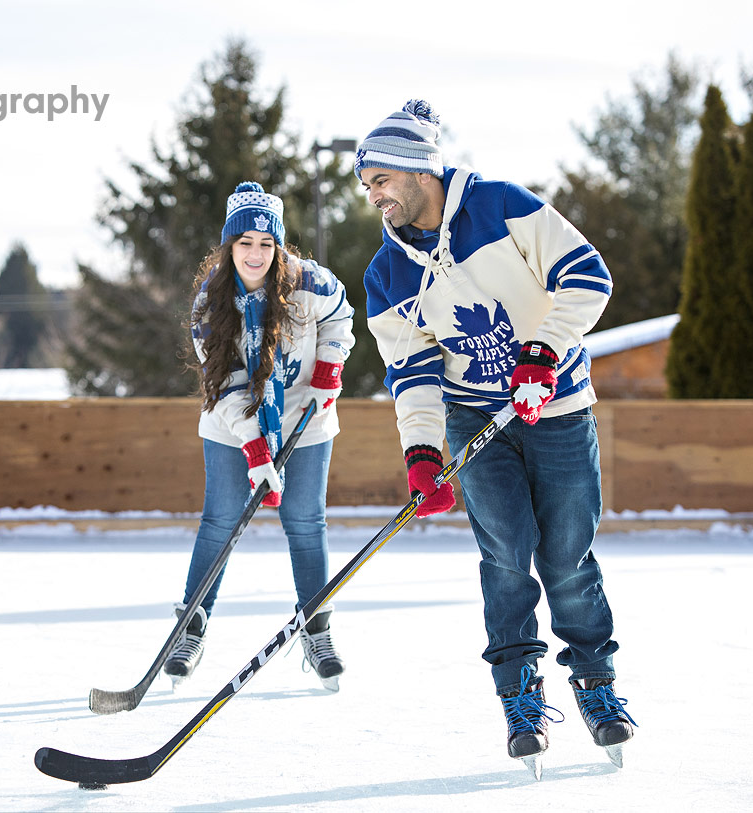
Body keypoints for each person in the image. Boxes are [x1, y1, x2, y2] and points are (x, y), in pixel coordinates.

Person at [354, 100, 636, 770]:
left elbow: (589, 277)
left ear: (420, 169)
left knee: (566, 555)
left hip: (558, 405)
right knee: (507, 554)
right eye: (366, 186)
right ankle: (520, 696)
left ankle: (596, 684)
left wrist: (542, 352)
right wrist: (422, 454)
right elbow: (412, 373)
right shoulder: (385, 273)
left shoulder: (504, 206)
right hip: (476, 417)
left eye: (381, 180)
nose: (374, 195)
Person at [164, 181, 357, 692]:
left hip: (306, 415)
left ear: (279, 246)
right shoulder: (211, 303)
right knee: (221, 520)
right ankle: (191, 627)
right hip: (233, 423)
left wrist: (329, 372)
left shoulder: (309, 283)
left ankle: (316, 631)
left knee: (305, 520)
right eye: (244, 242)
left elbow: (341, 319)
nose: (255, 253)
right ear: (229, 246)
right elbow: (224, 386)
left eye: (266, 243)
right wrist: (255, 450)